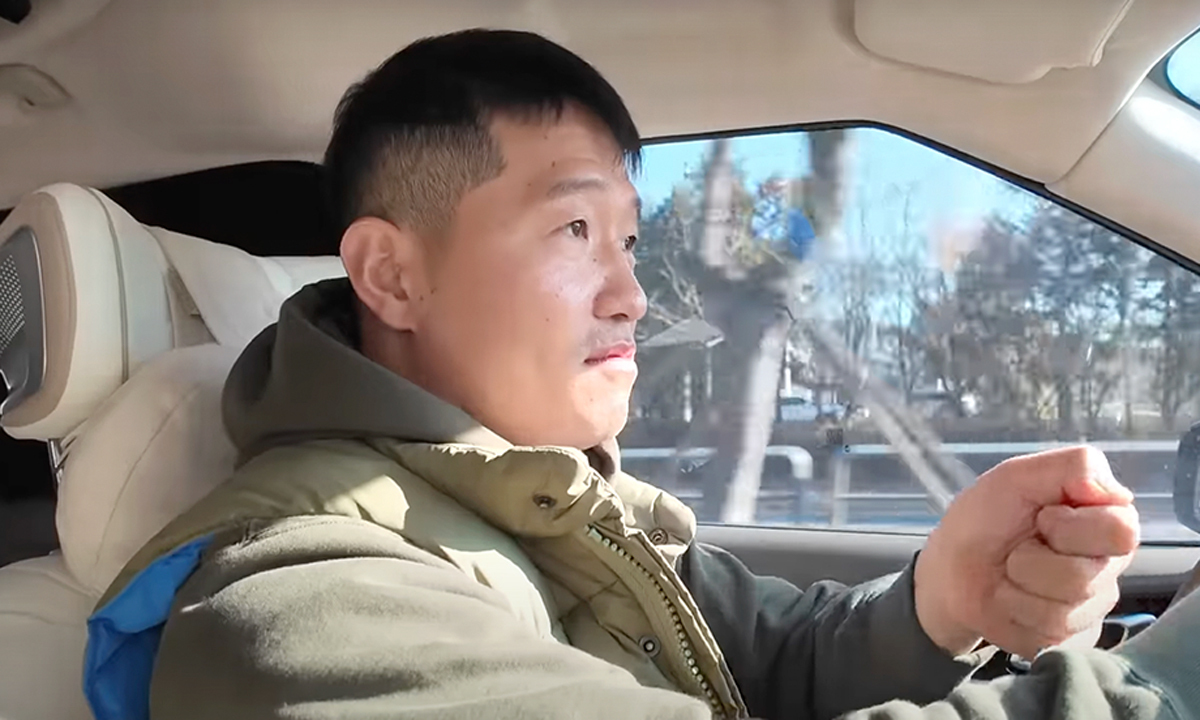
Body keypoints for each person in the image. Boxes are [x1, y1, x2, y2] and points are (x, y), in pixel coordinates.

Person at [85, 29, 1199, 720]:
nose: (631, 293)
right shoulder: (299, 597)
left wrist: (942, 601)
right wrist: (1159, 687)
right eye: (574, 230)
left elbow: (769, 658)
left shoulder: (555, 507)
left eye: (627, 239)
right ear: (392, 275)